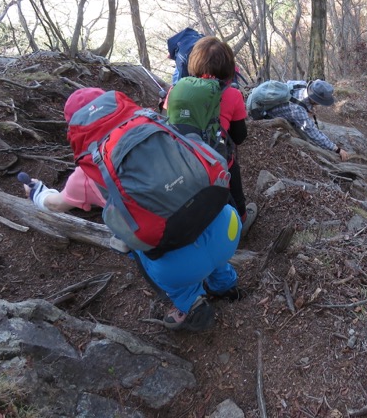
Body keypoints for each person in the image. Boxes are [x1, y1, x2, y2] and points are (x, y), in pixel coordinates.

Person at [24, 87, 242, 332]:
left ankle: (190, 305)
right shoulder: (155, 123)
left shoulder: (87, 173)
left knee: (131, 245)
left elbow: (55, 204)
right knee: (207, 230)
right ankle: (227, 286)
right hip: (229, 229)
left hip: (179, 268)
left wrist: (38, 193)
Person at [169, 36, 258, 237]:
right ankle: (241, 220)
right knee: (230, 165)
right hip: (216, 162)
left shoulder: (176, 90)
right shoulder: (233, 95)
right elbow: (240, 136)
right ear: (229, 68)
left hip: (183, 161)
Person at [264, 79, 350, 161]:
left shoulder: (302, 85)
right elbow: (314, 134)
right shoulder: (298, 110)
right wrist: (337, 149)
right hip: (268, 115)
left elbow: (291, 88)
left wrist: (308, 108)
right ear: (316, 100)